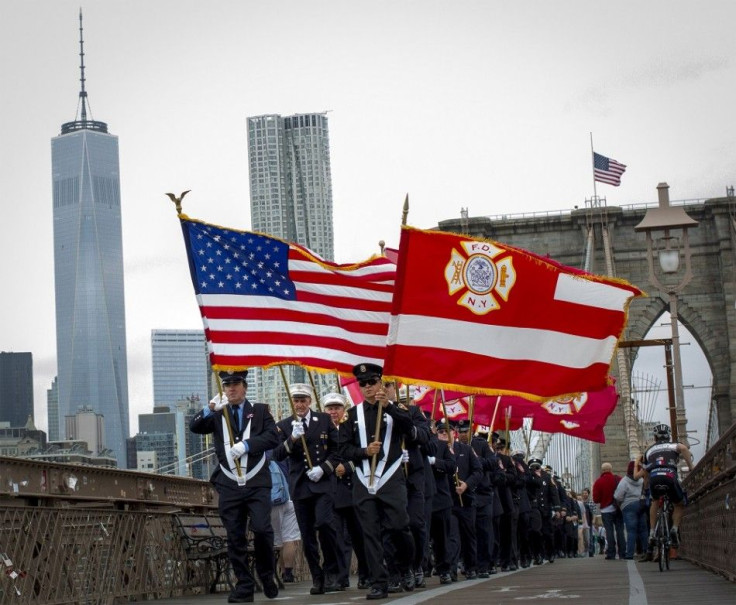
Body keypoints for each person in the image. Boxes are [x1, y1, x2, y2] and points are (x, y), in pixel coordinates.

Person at [190, 370, 280, 604]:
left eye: (235, 384)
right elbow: (195, 427)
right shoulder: (219, 414)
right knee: (235, 536)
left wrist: (248, 445)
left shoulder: (260, 411)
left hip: (256, 481)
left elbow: (273, 437)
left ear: (244, 386)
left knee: (262, 529)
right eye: (227, 385)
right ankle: (244, 585)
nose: (231, 389)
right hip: (229, 483)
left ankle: (266, 573)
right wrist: (210, 408)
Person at [339, 363, 417, 600]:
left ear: (381, 383)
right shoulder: (351, 415)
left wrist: (389, 407)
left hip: (391, 476)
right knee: (370, 533)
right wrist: (364, 452)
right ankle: (379, 582)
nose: (368, 387)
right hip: (364, 479)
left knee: (399, 526)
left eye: (372, 382)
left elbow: (410, 429)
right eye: (363, 384)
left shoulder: (396, 409)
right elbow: (343, 448)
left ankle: (406, 567)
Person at [272, 383, 342, 595]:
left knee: (324, 524)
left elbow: (337, 449)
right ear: (292, 403)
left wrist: (324, 468)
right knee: (307, 534)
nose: (300, 404)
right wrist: (292, 438)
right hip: (300, 486)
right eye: (296, 401)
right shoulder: (284, 425)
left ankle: (332, 571)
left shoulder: (323, 420)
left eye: (303, 400)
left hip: (322, 484)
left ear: (309, 401)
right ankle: (317, 576)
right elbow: (277, 455)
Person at [323, 391, 370, 590]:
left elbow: (361, 452)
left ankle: (365, 573)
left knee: (359, 535)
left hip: (353, 487)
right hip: (330, 488)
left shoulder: (352, 426)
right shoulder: (321, 428)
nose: (333, 412)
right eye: (330, 408)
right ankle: (340, 578)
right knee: (336, 537)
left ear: (344, 409)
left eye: (337, 408)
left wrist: (349, 466)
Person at [635, 423, 694, 551]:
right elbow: (683, 449)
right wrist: (691, 467)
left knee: (655, 501)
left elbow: (645, 473)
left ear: (655, 437)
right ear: (668, 436)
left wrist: (645, 491)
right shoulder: (673, 445)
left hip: (655, 477)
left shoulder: (648, 451)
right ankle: (674, 529)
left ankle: (651, 533)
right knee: (679, 504)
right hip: (669, 476)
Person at [268, 456, 301, 583]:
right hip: (289, 498)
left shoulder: (265, 450)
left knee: (277, 540)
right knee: (289, 538)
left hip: (272, 501)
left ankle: (278, 572)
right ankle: (287, 573)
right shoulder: (285, 451)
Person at [614, 460, 648, 560]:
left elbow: (618, 496)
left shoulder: (624, 481)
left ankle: (629, 554)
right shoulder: (642, 480)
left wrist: (621, 506)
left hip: (628, 506)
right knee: (643, 530)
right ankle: (646, 551)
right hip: (641, 504)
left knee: (631, 531)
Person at [592, 462, 626, 560]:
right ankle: (622, 553)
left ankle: (611, 553)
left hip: (606, 510)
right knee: (620, 530)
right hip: (618, 509)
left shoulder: (598, 482)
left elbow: (596, 499)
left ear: (602, 470)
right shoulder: (619, 479)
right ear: (611, 470)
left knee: (609, 531)